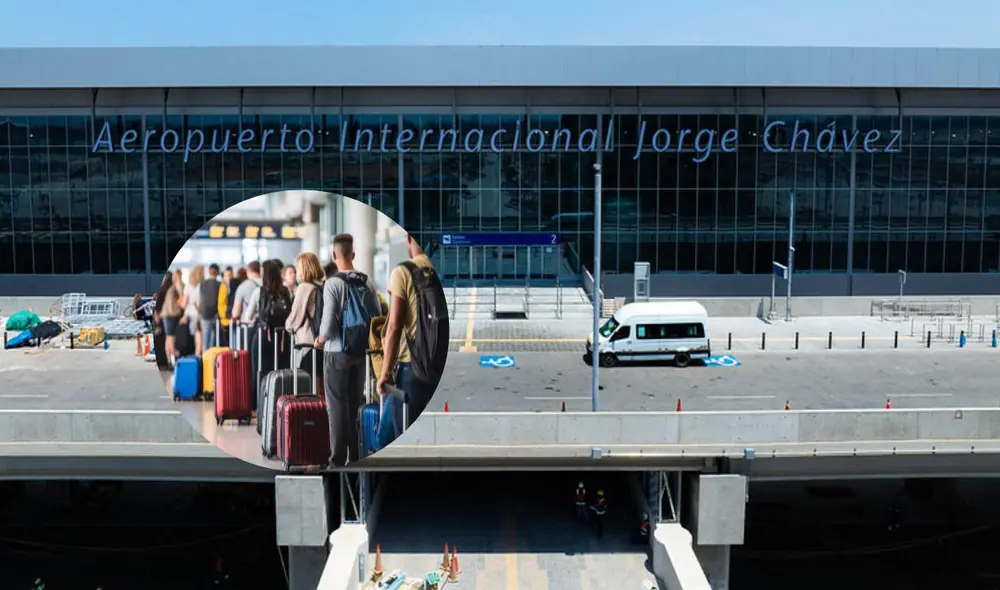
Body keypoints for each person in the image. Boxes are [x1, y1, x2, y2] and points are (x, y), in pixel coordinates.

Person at [314, 234, 383, 468]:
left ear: (335, 256)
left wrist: (319, 340)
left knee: (336, 407)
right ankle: (356, 455)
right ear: (353, 255)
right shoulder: (367, 281)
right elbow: (377, 317)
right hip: (361, 352)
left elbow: (327, 326)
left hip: (336, 352)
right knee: (354, 405)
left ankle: (336, 459)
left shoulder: (333, 283)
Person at [377, 233, 448, 438]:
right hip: (437, 367)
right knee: (385, 435)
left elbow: (394, 327)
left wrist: (384, 373)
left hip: (411, 370)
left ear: (409, 239)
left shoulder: (403, 272)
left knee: (402, 441)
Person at [248, 260, 293, 412]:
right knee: (281, 373)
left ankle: (260, 408)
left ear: (265, 273)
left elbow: (248, 315)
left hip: (262, 338)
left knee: (260, 372)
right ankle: (280, 407)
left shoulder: (259, 291)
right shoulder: (286, 291)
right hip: (281, 339)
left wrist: (253, 318)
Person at [285, 252, 325, 380]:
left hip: (307, 345)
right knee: (319, 383)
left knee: (308, 386)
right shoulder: (323, 285)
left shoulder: (304, 287)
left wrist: (287, 325)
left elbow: (295, 319)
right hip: (322, 341)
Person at [178, 265, 204, 356]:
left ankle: (197, 354)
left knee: (197, 334)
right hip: (202, 314)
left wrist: (179, 303)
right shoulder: (203, 286)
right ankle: (200, 353)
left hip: (192, 314)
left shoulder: (188, 287)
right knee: (200, 334)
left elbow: (184, 304)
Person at [199, 264, 223, 349]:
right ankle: (212, 360)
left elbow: (201, 299)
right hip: (215, 315)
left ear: (209, 271)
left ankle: (205, 360)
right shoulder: (220, 284)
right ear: (218, 272)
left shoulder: (202, 284)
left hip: (204, 314)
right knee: (213, 341)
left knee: (205, 340)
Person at [232, 260, 262, 327]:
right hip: (264, 325)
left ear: (248, 271)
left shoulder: (243, 286)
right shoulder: (267, 284)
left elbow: (236, 312)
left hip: (248, 326)